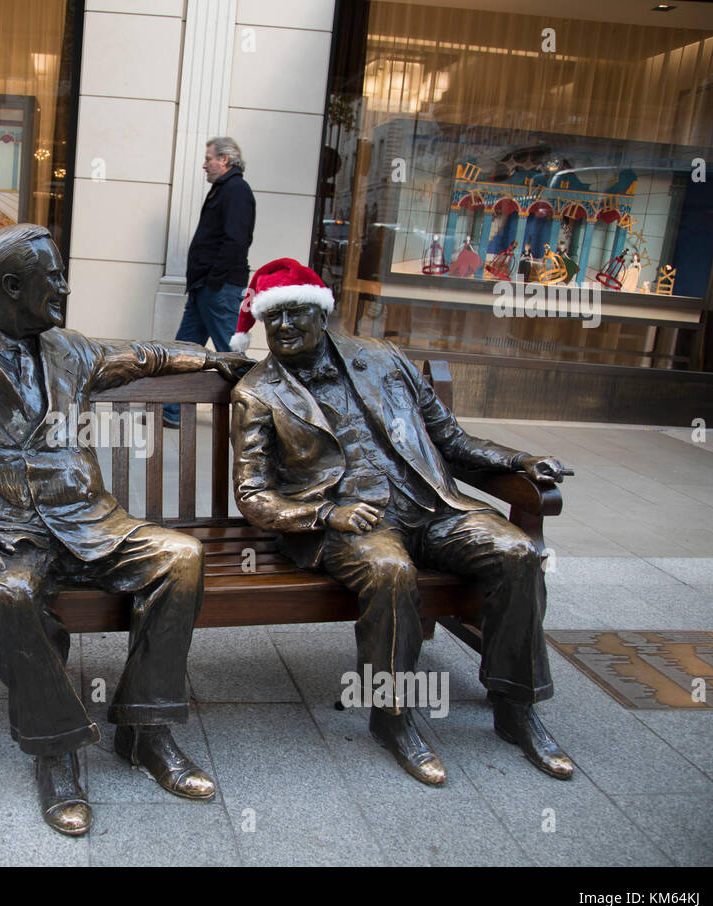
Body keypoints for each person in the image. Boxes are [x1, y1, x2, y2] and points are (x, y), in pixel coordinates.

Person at [0, 223, 252, 836]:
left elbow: (141, 357)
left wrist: (210, 357)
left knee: (181, 557)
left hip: (89, 521)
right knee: (13, 593)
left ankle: (144, 731)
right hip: (1, 531)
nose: (65, 287)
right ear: (13, 285)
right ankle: (56, 751)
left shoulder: (68, 349)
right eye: (52, 279)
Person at [230, 258, 576, 786]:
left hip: (433, 507)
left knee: (518, 553)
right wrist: (325, 512)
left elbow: (452, 441)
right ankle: (391, 716)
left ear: (323, 314)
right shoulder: (256, 393)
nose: (284, 327)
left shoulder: (385, 359)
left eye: (296, 313)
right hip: (349, 524)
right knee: (391, 571)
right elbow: (253, 495)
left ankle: (516, 706)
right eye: (272, 318)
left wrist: (517, 460)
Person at [164, 136, 256, 429]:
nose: (204, 165)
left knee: (231, 357)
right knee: (183, 351)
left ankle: (255, 413)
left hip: (218, 288)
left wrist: (214, 279)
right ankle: (171, 411)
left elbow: (236, 240)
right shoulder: (223, 190)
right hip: (205, 288)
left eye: (208, 158)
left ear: (224, 160)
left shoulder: (237, 191)